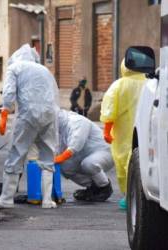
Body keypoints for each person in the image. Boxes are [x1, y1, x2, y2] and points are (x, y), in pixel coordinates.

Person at [0, 44, 59, 209]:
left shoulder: (14, 68)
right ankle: (47, 200)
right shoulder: (44, 70)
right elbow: (54, 94)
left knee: (16, 154)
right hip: (49, 115)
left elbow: (8, 93)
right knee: (48, 156)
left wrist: (5, 113)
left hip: (28, 115)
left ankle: (6, 198)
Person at [100, 59, 146, 210]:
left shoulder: (119, 85)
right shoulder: (150, 83)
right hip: (145, 132)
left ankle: (129, 196)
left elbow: (110, 108)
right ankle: (141, 195)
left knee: (124, 166)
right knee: (143, 163)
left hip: (123, 135)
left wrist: (107, 130)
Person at [55, 109, 113, 202]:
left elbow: (76, 144)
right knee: (65, 168)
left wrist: (58, 159)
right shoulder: (59, 130)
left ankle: (104, 187)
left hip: (104, 152)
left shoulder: (77, 121)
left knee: (89, 164)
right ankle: (93, 187)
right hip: (84, 156)